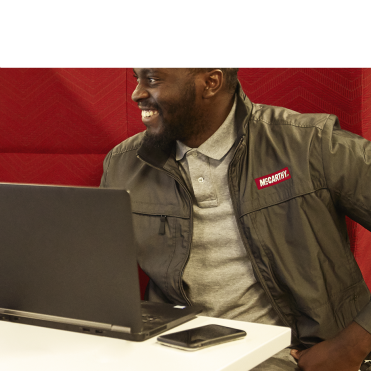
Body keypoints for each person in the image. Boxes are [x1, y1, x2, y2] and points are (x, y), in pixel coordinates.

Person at [100, 67, 371, 370]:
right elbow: (98, 279)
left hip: (291, 357)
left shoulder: (310, 144)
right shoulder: (124, 163)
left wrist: (352, 345)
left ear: (210, 83)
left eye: (152, 79)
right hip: (172, 355)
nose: (136, 93)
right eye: (137, 77)